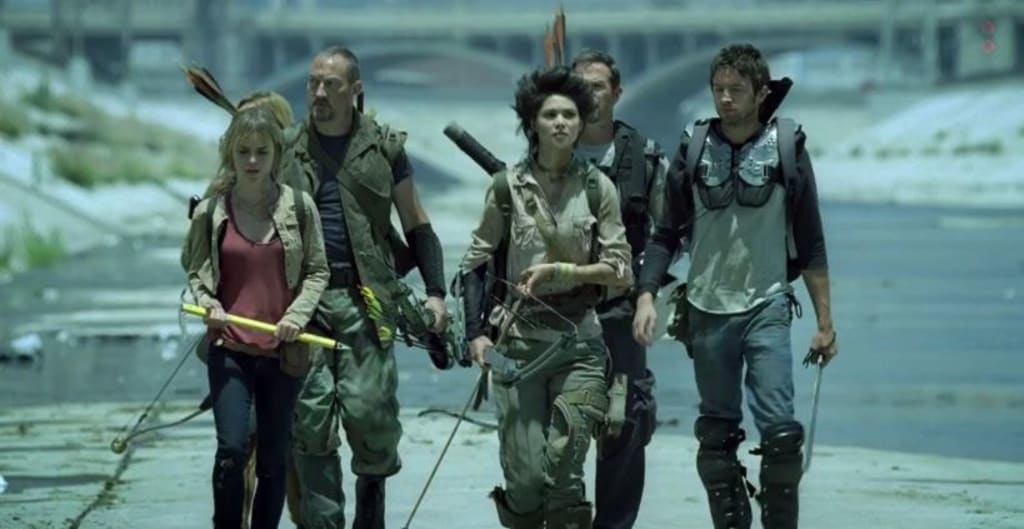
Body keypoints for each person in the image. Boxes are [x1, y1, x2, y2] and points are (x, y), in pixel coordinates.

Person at [632, 44, 838, 529]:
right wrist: (646, 295)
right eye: (718, 89)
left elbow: (811, 242)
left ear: (761, 93)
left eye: (736, 90)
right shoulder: (694, 147)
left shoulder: (787, 148)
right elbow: (665, 235)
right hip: (706, 310)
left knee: (782, 435)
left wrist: (825, 323)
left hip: (767, 304)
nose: (725, 99)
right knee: (716, 434)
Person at [459, 65, 633, 529]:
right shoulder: (505, 188)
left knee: (565, 469)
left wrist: (564, 271)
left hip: (580, 346)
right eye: (550, 114)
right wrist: (475, 334)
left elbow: (622, 272)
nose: (560, 123)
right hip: (517, 347)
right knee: (525, 479)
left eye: (570, 115)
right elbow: (475, 262)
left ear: (581, 123)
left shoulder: (598, 188)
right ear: (532, 123)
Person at [286, 46, 449, 529]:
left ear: (355, 90)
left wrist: (436, 294)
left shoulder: (385, 149)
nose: (319, 92)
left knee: (371, 415)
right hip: (302, 302)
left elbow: (416, 222)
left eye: (331, 84)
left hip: (367, 300)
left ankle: (371, 514)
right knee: (310, 420)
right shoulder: (287, 148)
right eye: (313, 82)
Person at [181, 104, 329, 529]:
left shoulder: (299, 207)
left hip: (283, 353)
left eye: (261, 152)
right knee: (231, 451)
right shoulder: (211, 212)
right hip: (230, 349)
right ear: (230, 153)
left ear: (276, 155)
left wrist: (298, 315)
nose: (251, 161)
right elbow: (196, 269)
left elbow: (317, 270)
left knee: (273, 461)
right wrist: (208, 302)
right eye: (243, 151)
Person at [570, 49, 670, 529]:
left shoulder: (644, 157)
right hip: (557, 311)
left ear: (617, 92)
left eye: (598, 86)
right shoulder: (549, 149)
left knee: (623, 421)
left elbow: (668, 233)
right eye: (581, 87)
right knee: (559, 422)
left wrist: (646, 289)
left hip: (620, 310)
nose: (590, 96)